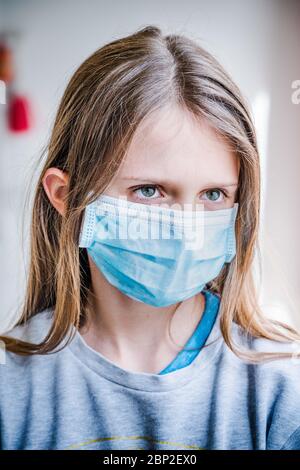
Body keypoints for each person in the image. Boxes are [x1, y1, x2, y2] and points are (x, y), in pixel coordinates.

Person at [1, 25, 300, 451]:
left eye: (213, 194)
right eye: (149, 191)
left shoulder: (280, 391)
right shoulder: (11, 390)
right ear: (66, 196)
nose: (186, 227)